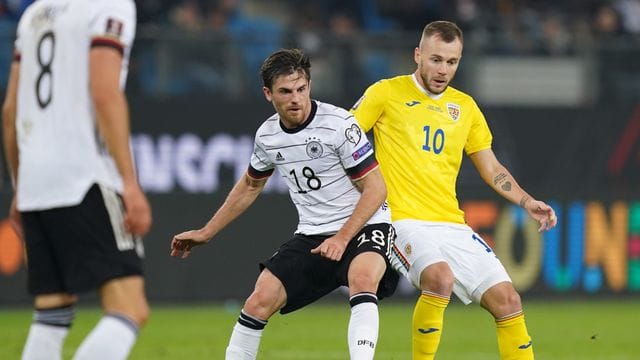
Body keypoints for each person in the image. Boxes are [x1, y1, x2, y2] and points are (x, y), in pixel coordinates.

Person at [170, 48, 399, 360]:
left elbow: (376, 189)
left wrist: (342, 238)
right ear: (268, 93)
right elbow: (250, 185)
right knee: (258, 300)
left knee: (362, 279)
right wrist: (207, 232)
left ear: (309, 86)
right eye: (286, 91)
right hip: (313, 232)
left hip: (364, 224)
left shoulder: (339, 125)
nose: (296, 99)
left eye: (302, 89)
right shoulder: (268, 136)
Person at [351, 20, 557, 360]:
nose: (443, 69)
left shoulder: (465, 107)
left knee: (508, 300)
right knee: (439, 278)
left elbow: (491, 167)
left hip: (451, 223)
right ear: (417, 55)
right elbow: (345, 140)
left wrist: (525, 199)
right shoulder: (385, 93)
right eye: (435, 59)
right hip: (399, 219)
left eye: (451, 61)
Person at [2, 1, 152, 359]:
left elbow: (10, 111)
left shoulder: (35, 12)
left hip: (37, 181)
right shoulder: (110, 5)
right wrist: (129, 183)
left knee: (52, 311)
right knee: (129, 308)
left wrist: (20, 186)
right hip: (84, 174)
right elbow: (104, 92)